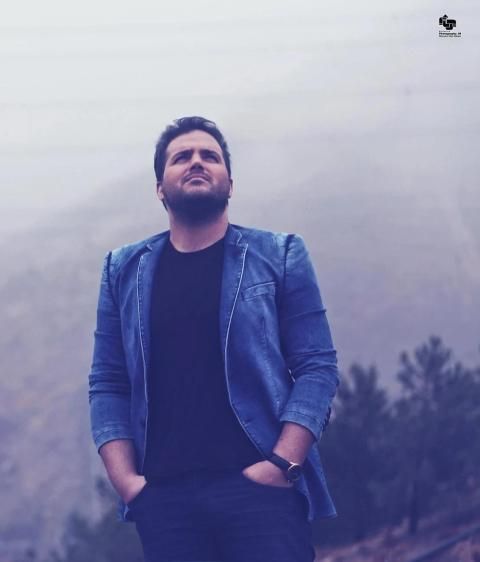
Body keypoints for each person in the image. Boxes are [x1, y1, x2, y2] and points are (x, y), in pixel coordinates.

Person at [88, 116, 339, 562]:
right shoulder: (123, 270)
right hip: (165, 501)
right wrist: (127, 483)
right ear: (160, 188)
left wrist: (283, 463)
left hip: (261, 491)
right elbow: (108, 382)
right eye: (181, 157)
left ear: (230, 183)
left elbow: (317, 366)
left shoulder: (279, 255)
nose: (197, 162)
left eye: (210, 156)